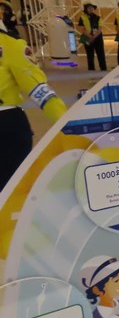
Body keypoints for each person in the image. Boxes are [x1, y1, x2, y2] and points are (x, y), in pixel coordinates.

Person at [0, 20, 68, 191]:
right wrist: (67, 123)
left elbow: (39, 90)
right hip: (8, 127)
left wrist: (66, 124)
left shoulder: (9, 46)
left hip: (7, 129)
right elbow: (38, 89)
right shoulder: (10, 46)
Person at [77, 3, 107, 71]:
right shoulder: (82, 17)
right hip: (87, 37)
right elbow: (82, 28)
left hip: (98, 37)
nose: (91, 9)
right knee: (90, 54)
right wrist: (89, 36)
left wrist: (94, 36)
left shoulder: (98, 17)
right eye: (89, 8)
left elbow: (100, 29)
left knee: (100, 53)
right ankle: (91, 69)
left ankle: (103, 68)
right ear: (86, 9)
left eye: (92, 8)